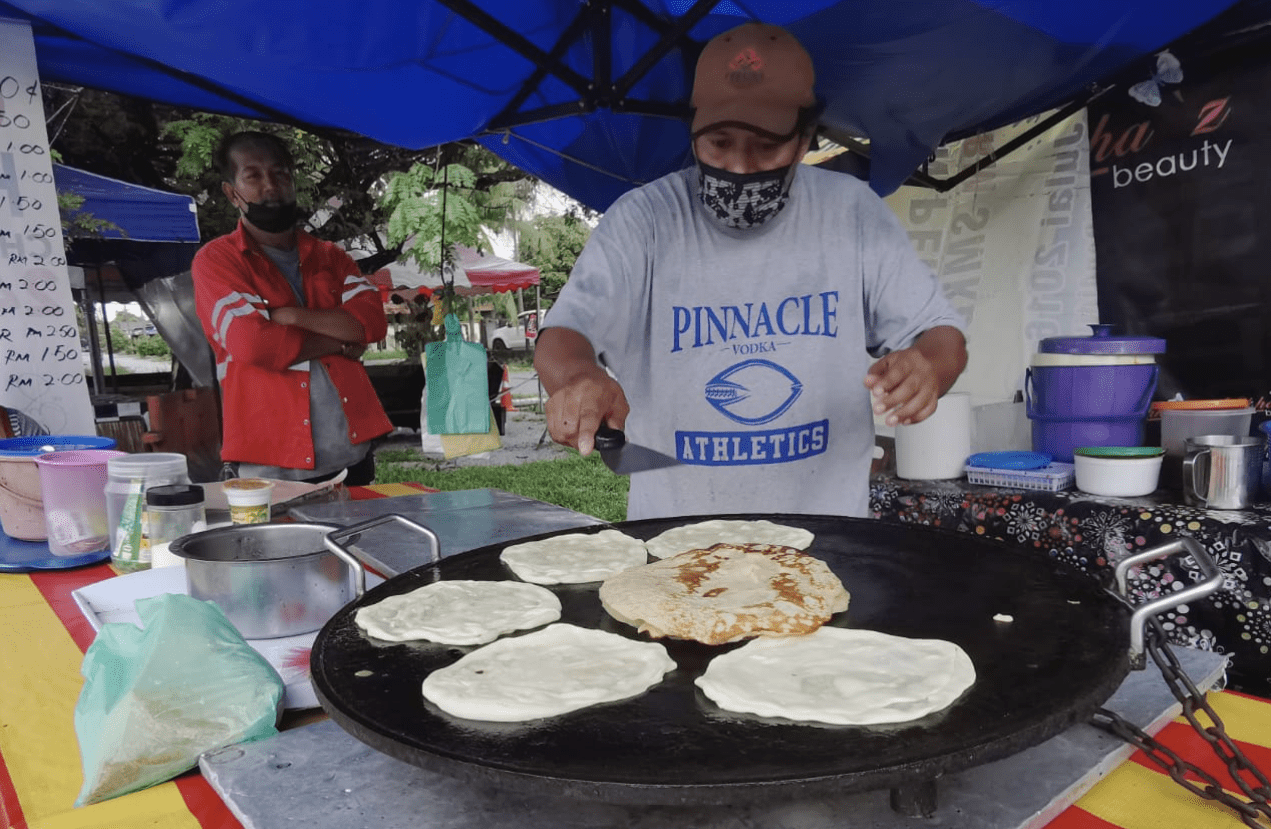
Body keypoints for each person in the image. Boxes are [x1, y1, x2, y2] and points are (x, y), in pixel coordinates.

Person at [535, 23, 968, 520]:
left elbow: (941, 337)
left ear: (806, 137)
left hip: (825, 538)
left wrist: (928, 368)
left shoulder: (852, 214)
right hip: (679, 543)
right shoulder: (643, 221)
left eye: (767, 146)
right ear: (692, 128)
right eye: (718, 142)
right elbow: (565, 332)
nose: (740, 167)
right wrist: (577, 377)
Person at [192, 131, 392, 486]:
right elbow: (253, 344)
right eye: (253, 176)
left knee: (360, 543)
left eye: (281, 173)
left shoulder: (331, 256)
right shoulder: (216, 261)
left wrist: (289, 316)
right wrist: (339, 340)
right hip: (269, 463)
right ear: (231, 192)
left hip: (351, 453)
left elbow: (372, 325)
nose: (271, 185)